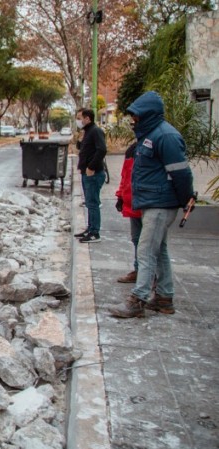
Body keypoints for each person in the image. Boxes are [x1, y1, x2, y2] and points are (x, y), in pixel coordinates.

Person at [110, 91, 194, 318]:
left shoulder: (165, 136)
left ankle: (138, 299)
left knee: (146, 251)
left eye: (136, 115)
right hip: (150, 201)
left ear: (147, 114)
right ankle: (164, 298)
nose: (133, 120)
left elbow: (181, 173)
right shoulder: (150, 135)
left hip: (160, 204)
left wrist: (186, 199)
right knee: (159, 250)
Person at [73, 108, 107, 243]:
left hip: (93, 173)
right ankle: (90, 228)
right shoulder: (87, 132)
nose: (78, 121)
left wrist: (91, 167)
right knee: (89, 202)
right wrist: (80, 138)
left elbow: (102, 150)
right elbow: (81, 148)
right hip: (86, 173)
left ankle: (95, 233)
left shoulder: (96, 131)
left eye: (79, 118)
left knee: (92, 203)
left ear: (87, 118)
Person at [115, 142, 142, 283]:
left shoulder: (150, 149)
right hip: (133, 204)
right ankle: (139, 271)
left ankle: (151, 276)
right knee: (137, 239)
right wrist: (120, 196)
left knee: (151, 244)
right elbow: (125, 177)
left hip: (147, 205)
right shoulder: (132, 150)